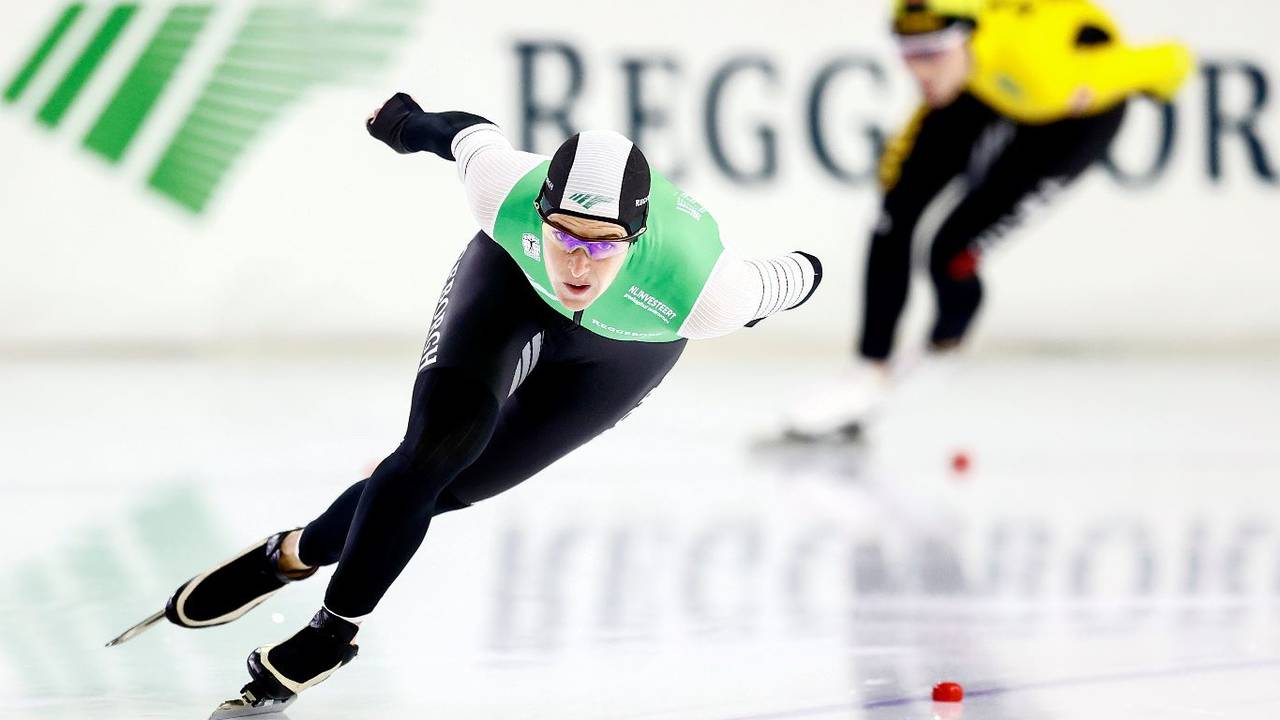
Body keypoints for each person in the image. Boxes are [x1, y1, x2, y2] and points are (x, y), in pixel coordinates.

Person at [109, 92, 823, 715]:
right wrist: (402, 122)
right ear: (540, 210)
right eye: (564, 233)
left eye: (601, 245)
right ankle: (331, 636)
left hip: (626, 347)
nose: (576, 261)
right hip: (507, 287)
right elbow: (465, 134)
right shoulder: (503, 193)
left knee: (453, 487)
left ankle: (293, 553)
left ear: (635, 242)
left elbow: (802, 274)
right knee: (435, 450)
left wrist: (795, 281)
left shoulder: (709, 290)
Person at [779, 0, 1192, 441]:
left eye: (932, 53)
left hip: (1068, 115)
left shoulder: (1053, 73)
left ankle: (942, 348)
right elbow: (896, 210)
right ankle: (868, 372)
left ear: (967, 36)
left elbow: (1173, 59)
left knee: (950, 250)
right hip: (982, 80)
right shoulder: (957, 56)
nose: (919, 72)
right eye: (907, 51)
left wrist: (1155, 85)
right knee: (893, 214)